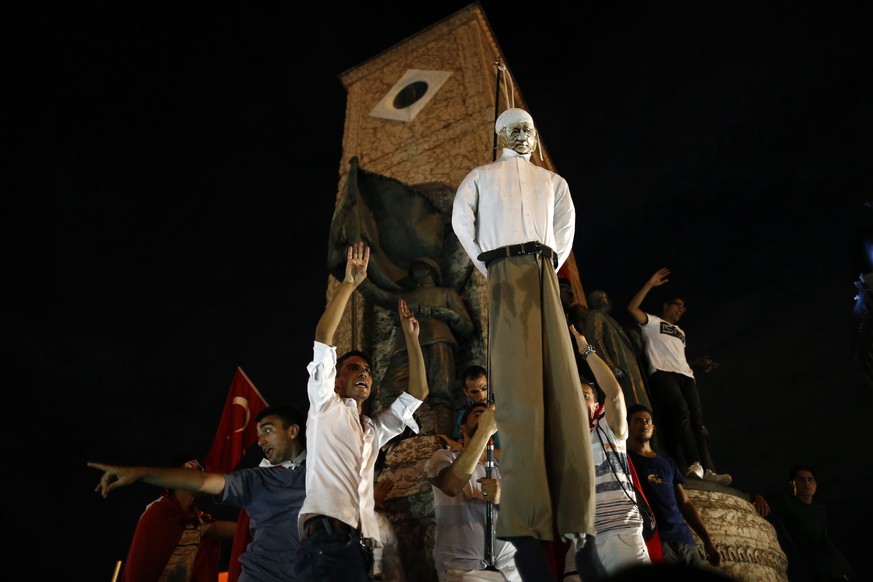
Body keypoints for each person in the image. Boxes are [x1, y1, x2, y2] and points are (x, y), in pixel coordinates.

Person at [452, 107, 603, 581]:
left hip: (541, 270)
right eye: (515, 131)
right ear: (499, 136)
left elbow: (565, 229)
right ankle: (528, 518)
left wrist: (546, 266)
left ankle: (576, 517)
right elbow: (464, 224)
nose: (524, 138)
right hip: (503, 270)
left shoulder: (553, 182)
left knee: (561, 385)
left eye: (529, 131)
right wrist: (491, 266)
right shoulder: (479, 176)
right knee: (517, 394)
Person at [297, 241, 428, 581]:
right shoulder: (325, 405)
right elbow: (324, 336)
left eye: (367, 370)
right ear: (336, 379)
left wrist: (412, 339)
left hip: (364, 548)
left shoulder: (372, 428)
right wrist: (350, 285)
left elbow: (419, 393)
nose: (363, 374)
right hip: (328, 538)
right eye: (353, 368)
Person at [89, 403, 307, 581]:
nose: (259, 440)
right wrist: (140, 473)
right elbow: (140, 564)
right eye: (258, 433)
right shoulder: (158, 513)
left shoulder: (320, 472)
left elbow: (235, 530)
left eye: (267, 431)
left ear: (293, 431)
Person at [626, 267, 731, 485]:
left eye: (683, 307)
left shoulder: (681, 332)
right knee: (681, 412)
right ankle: (694, 464)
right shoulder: (653, 322)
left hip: (686, 376)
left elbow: (676, 357)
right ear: (666, 306)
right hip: (663, 374)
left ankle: (708, 470)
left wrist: (695, 365)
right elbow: (632, 308)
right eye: (677, 305)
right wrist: (649, 284)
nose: (681, 310)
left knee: (697, 422)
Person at [564, 327, 651, 579]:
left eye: (585, 396)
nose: (579, 400)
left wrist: (586, 349)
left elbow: (614, 394)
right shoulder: (560, 439)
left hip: (621, 533)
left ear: (595, 404)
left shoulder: (608, 429)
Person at [357, 256, 474, 435]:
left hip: (439, 339)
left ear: (430, 271)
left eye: (420, 268)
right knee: (390, 387)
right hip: (405, 346)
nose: (416, 273)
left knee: (442, 391)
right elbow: (377, 294)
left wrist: (439, 313)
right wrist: (357, 278)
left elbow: (466, 326)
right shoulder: (406, 298)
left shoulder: (446, 294)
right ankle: (402, 436)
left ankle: (444, 440)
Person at [427, 402, 520, 582]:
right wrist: (483, 432)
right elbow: (451, 485)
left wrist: (501, 499)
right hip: (464, 570)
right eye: (478, 413)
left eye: (488, 415)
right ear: (462, 427)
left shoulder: (506, 468)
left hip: (511, 570)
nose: (485, 417)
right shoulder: (445, 457)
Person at [625, 404, 723, 571]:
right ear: (628, 426)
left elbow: (684, 504)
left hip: (684, 539)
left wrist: (707, 541)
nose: (644, 425)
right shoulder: (626, 461)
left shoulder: (667, 462)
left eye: (648, 421)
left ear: (653, 427)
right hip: (654, 540)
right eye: (638, 421)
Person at [752, 465, 856, 581]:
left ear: (815, 484)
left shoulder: (820, 509)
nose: (806, 484)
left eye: (810, 479)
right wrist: (758, 496)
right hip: (815, 570)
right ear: (792, 484)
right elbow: (760, 500)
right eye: (801, 480)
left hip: (840, 567)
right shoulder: (786, 502)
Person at [585, 289, 654, 412]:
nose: (609, 302)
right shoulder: (595, 315)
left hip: (630, 370)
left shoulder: (609, 320)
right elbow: (594, 341)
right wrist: (611, 366)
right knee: (628, 405)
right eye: (605, 298)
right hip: (619, 370)